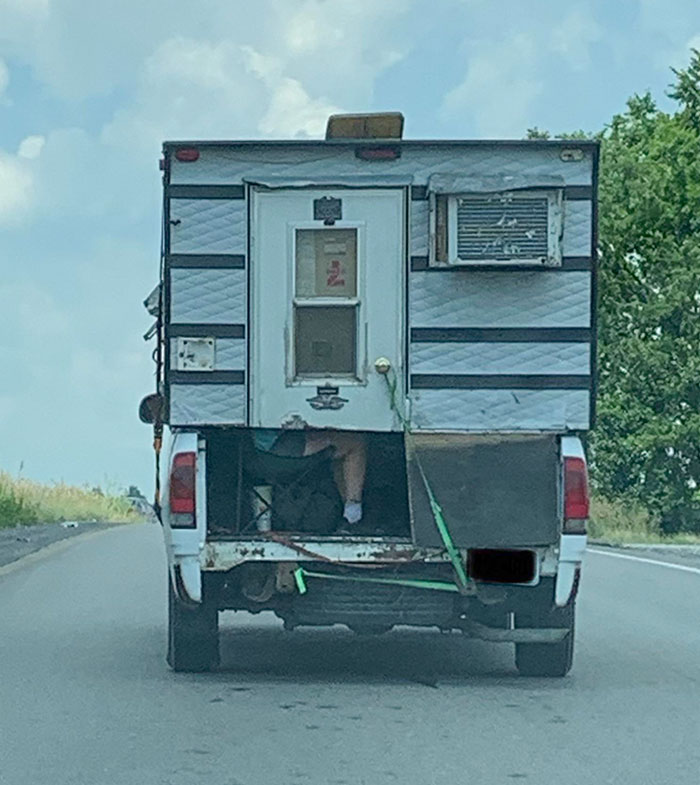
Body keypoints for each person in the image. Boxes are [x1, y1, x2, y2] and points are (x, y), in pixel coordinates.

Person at [253, 428, 366, 525]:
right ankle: (353, 517)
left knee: (339, 448)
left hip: (259, 452)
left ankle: (346, 514)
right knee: (355, 442)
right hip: (279, 446)